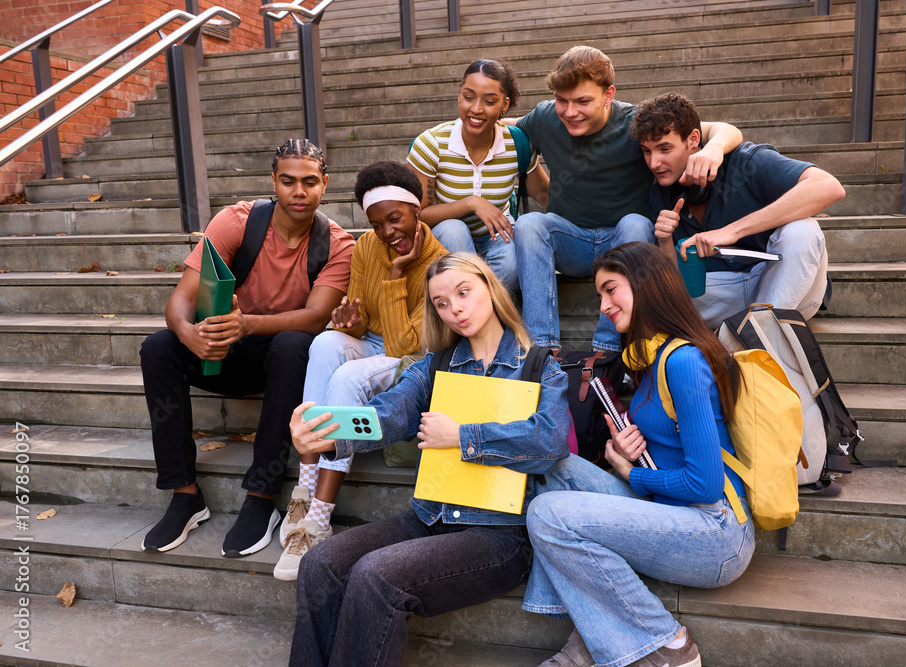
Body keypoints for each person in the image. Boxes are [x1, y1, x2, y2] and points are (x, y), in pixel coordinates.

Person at [288, 252, 570, 666]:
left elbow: (549, 443)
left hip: (499, 534)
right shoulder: (433, 367)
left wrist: (461, 437)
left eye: (463, 292)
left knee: (376, 574)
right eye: (441, 302)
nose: (454, 308)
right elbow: (390, 412)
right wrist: (327, 431)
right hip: (429, 517)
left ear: (489, 288)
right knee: (319, 563)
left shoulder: (540, 368)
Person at [523, 242, 754, 667]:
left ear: (646, 284)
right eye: (599, 297)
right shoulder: (648, 358)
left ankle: (667, 644)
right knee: (552, 466)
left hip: (715, 531)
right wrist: (622, 455)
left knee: (547, 514)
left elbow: (704, 483)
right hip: (670, 507)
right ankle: (592, 633)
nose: (604, 306)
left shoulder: (683, 360)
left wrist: (632, 474)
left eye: (611, 290)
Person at [139, 139, 355, 557]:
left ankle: (261, 498)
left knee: (295, 344)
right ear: (273, 181)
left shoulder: (338, 244)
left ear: (324, 185)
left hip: (283, 366)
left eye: (309, 182)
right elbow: (181, 299)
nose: (298, 192)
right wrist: (191, 335)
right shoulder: (237, 221)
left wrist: (247, 324)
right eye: (288, 181)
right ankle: (185, 495)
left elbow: (315, 317)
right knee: (158, 348)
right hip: (222, 354)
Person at [274, 160, 448, 580]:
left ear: (417, 209)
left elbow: (409, 346)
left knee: (348, 377)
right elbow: (361, 318)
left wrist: (394, 277)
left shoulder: (440, 262)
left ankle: (319, 516)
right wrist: (349, 323)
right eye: (377, 223)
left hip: (412, 362)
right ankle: (305, 483)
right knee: (325, 342)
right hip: (376, 343)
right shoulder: (367, 246)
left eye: (395, 219)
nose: (388, 232)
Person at [510, 45, 744, 352]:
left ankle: (606, 350)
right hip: (570, 240)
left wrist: (714, 149)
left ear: (608, 95)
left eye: (582, 101)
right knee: (528, 224)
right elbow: (502, 135)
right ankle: (541, 348)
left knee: (636, 222)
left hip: (624, 245)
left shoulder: (634, 121)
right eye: (561, 101)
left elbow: (724, 130)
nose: (569, 112)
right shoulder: (544, 118)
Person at [635, 92, 846, 329]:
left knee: (803, 229)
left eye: (664, 149)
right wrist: (664, 242)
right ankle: (759, 332)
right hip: (720, 292)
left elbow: (828, 187)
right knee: (649, 295)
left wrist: (732, 231)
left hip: (786, 284)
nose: (654, 163)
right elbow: (676, 282)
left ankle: (758, 336)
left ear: (694, 139)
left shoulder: (745, 161)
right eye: (647, 151)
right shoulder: (659, 194)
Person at [407, 58, 548, 293]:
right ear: (459, 95)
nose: (476, 109)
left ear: (505, 105)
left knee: (513, 261)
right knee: (454, 229)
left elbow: (544, 194)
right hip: (446, 237)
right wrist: (471, 203)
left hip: (495, 235)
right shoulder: (431, 144)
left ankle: (481, 316)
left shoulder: (516, 144)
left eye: (489, 101)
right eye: (469, 97)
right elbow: (417, 216)